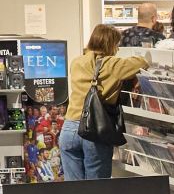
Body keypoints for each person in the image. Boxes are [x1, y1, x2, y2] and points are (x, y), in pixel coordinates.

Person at [61, 24, 146, 180]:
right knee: (96, 191)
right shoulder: (113, 64)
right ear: (110, 44)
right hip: (94, 129)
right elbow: (141, 62)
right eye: (117, 44)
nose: (118, 49)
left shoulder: (77, 62)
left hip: (69, 128)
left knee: (72, 190)